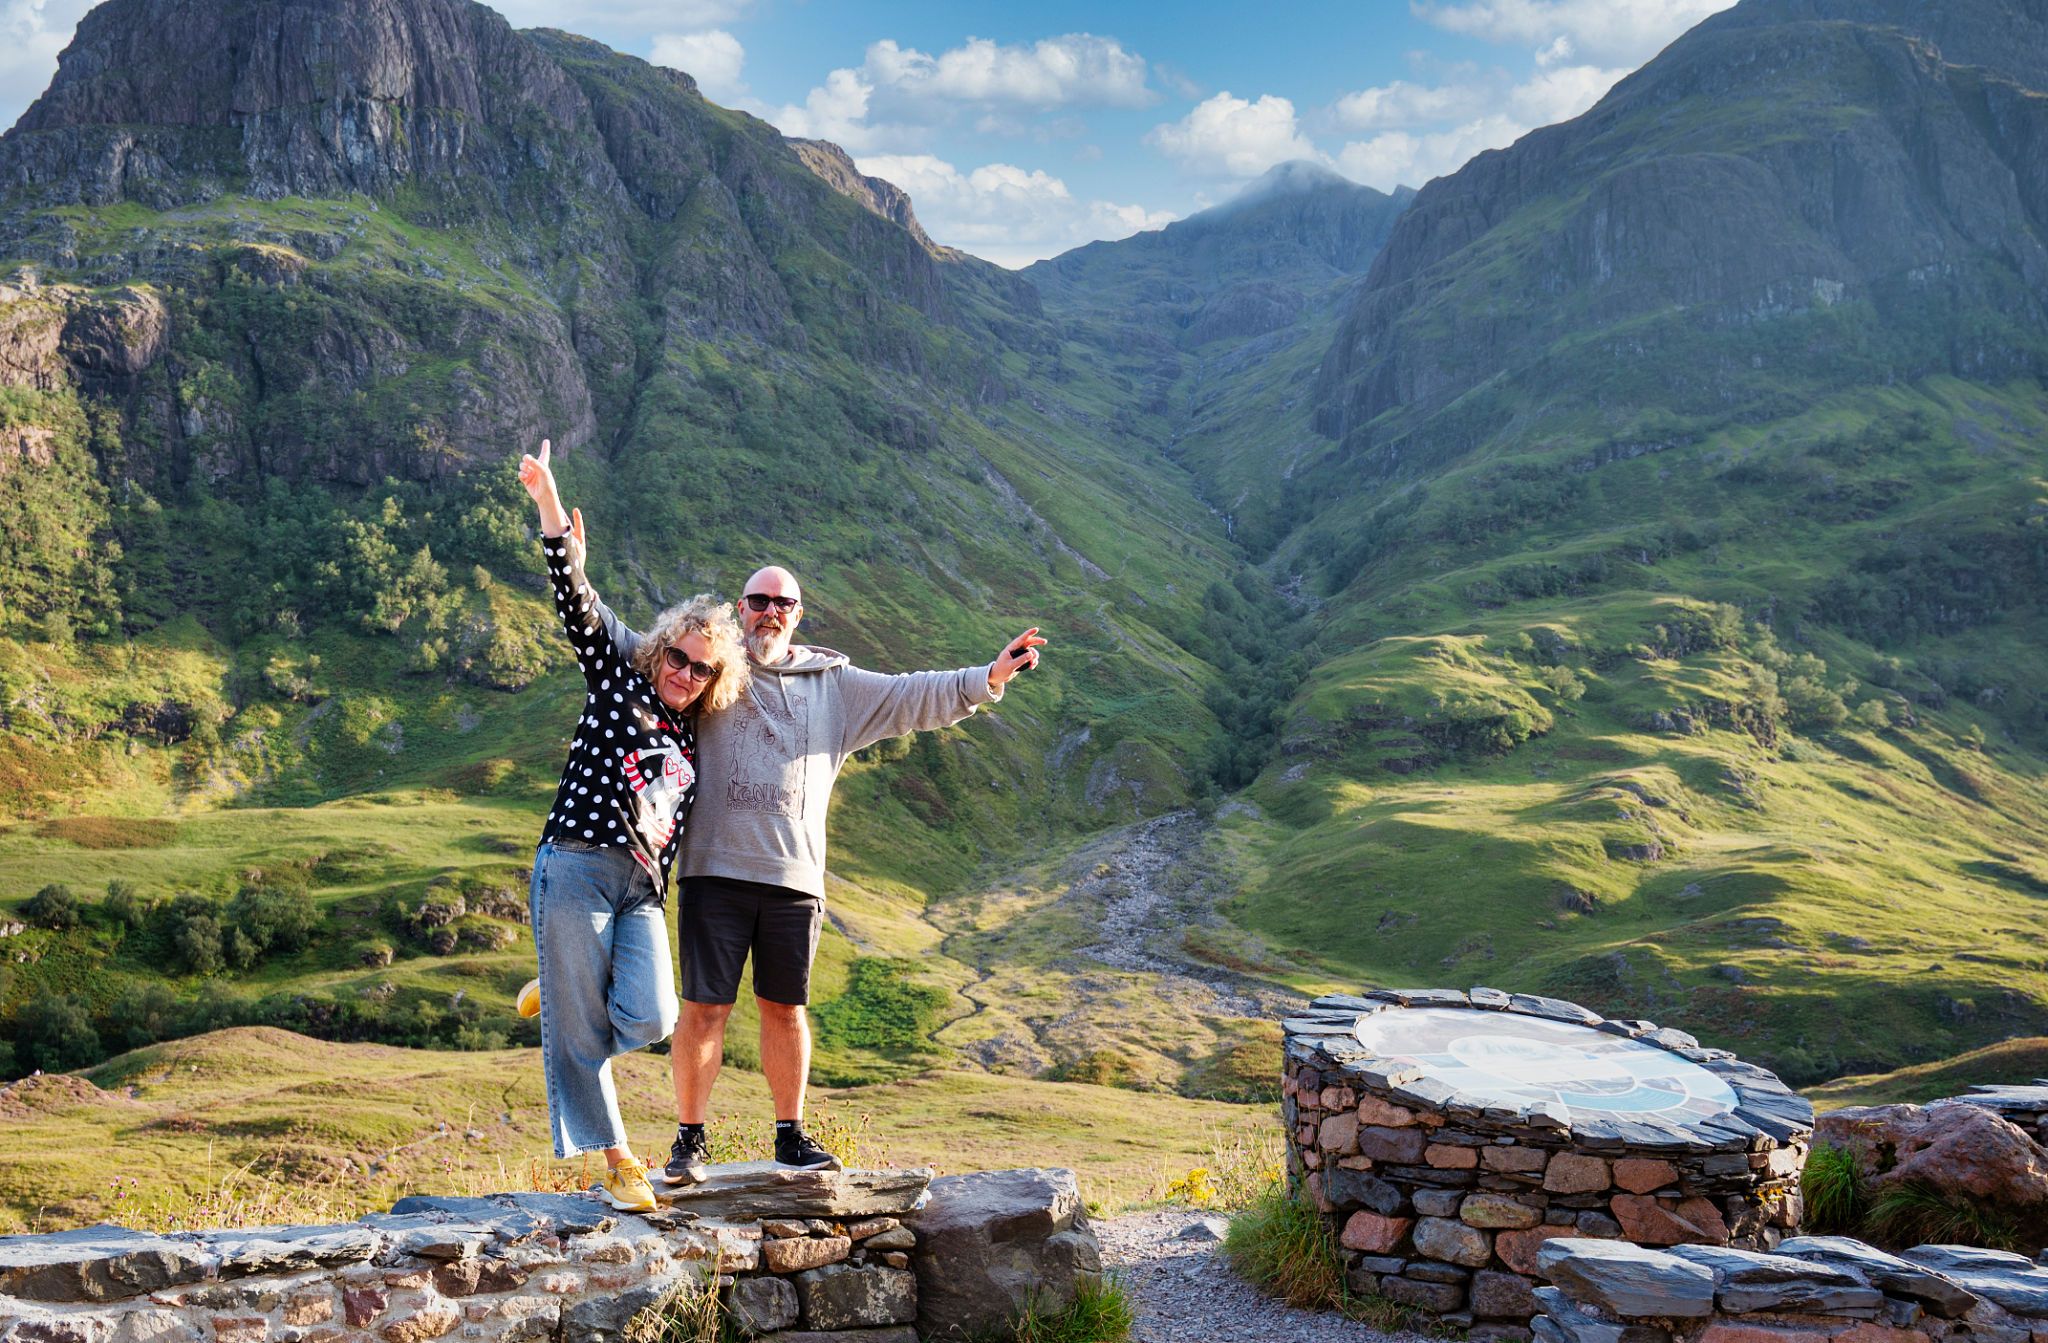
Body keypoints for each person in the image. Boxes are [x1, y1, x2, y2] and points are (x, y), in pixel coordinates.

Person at [567, 517, 1043, 1180]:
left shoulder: (836, 685)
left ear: (798, 613)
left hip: (794, 880)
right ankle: (689, 1140)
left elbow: (913, 696)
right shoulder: (710, 673)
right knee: (705, 1008)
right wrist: (571, 558)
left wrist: (988, 676)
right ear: (741, 610)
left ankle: (790, 1133)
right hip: (713, 873)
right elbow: (626, 643)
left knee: (785, 1008)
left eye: (781, 602)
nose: (769, 611)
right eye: (758, 601)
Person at [512, 440, 748, 1211]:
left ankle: (561, 989)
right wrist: (551, 509)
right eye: (677, 656)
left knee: (652, 1015)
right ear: (661, 647)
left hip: (641, 890)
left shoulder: (692, 731)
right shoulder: (621, 670)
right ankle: (617, 1161)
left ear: (717, 678)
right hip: (576, 864)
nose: (683, 672)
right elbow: (575, 597)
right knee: (582, 1038)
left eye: (701, 667)